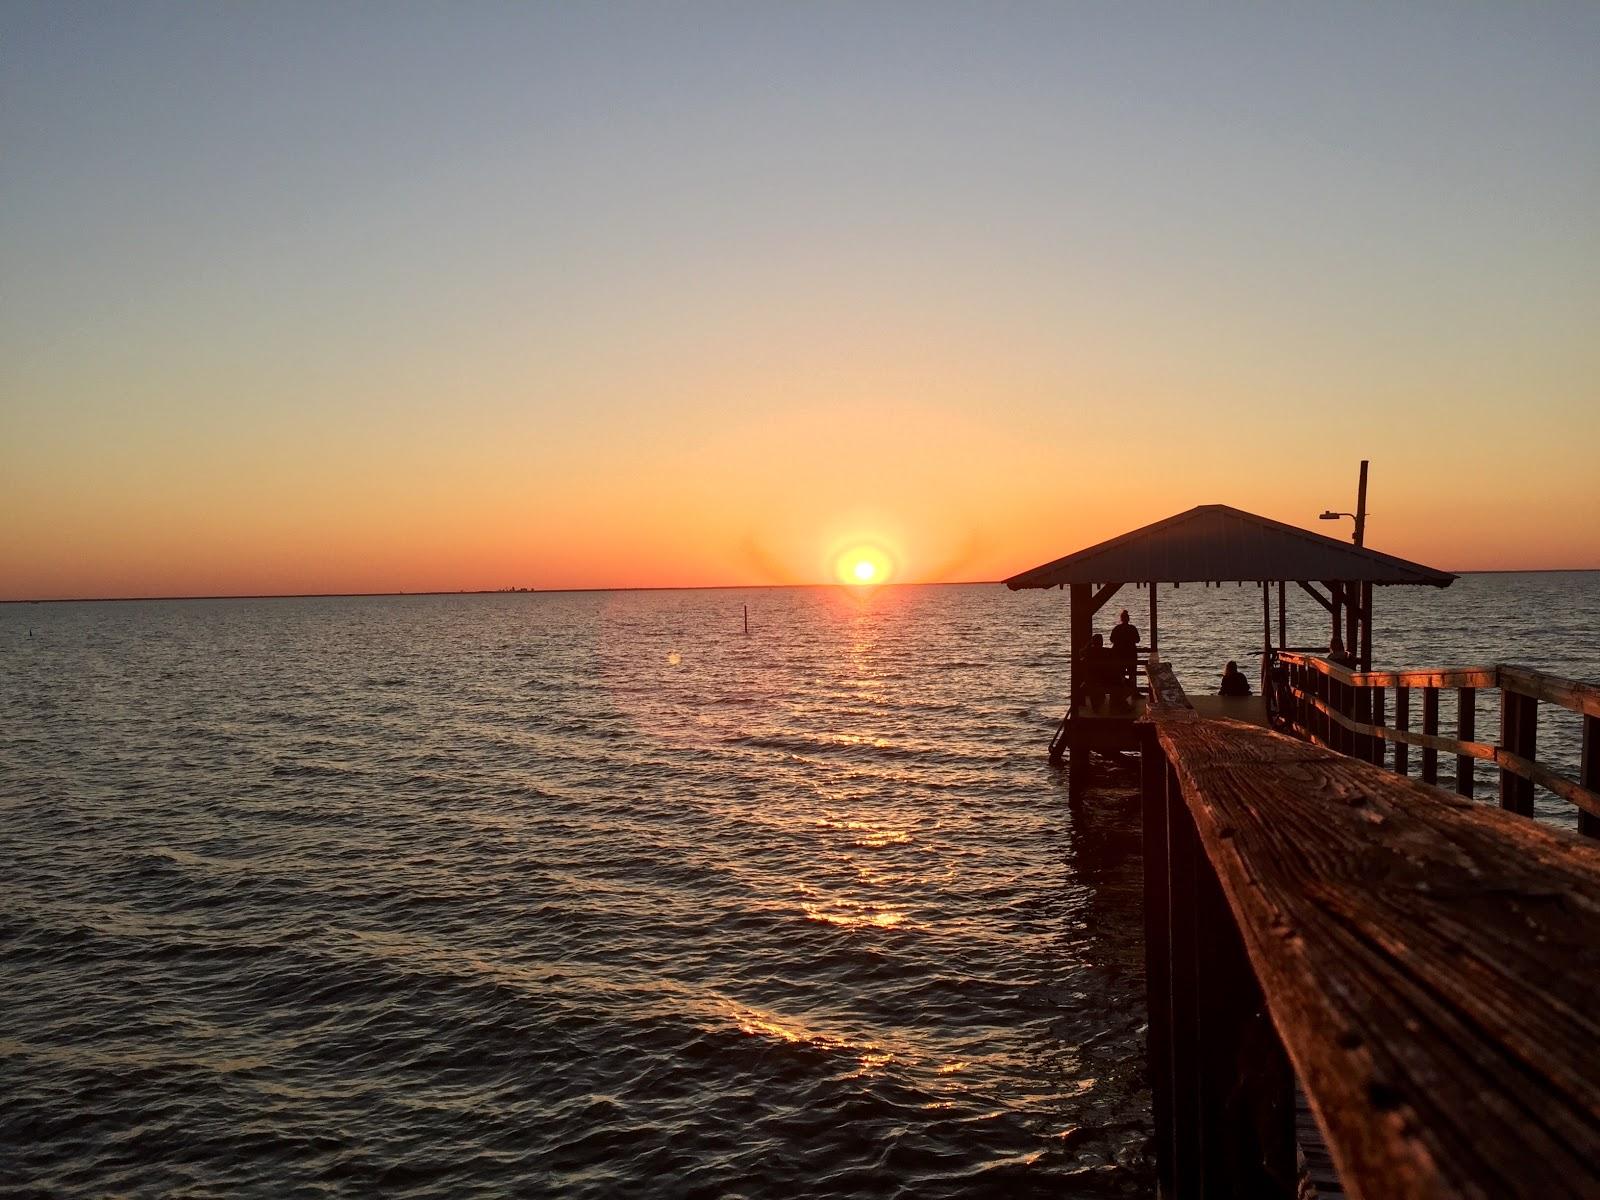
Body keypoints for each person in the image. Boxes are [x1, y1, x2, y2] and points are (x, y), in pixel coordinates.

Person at [1109, 609, 1141, 690]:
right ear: (1128, 619)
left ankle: (1122, 692)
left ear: (1121, 619)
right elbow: (1137, 640)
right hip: (1131, 655)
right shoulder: (1132, 628)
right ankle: (1133, 692)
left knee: (1121, 675)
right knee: (1132, 674)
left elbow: (1112, 639)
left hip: (1120, 656)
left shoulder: (1117, 628)